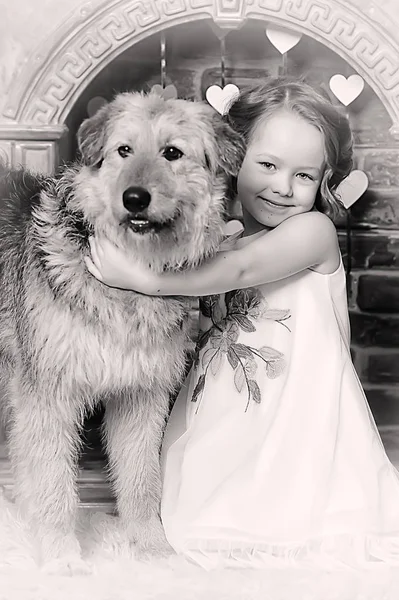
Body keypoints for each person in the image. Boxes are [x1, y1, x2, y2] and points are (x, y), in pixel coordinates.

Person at [85, 77, 399, 570]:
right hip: (225, 416)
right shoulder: (221, 234)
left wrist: (138, 278)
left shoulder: (313, 232)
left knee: (297, 527)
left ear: (324, 182)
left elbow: (240, 270)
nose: (282, 186)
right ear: (231, 160)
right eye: (268, 165)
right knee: (198, 516)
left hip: (298, 426)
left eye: (304, 176)